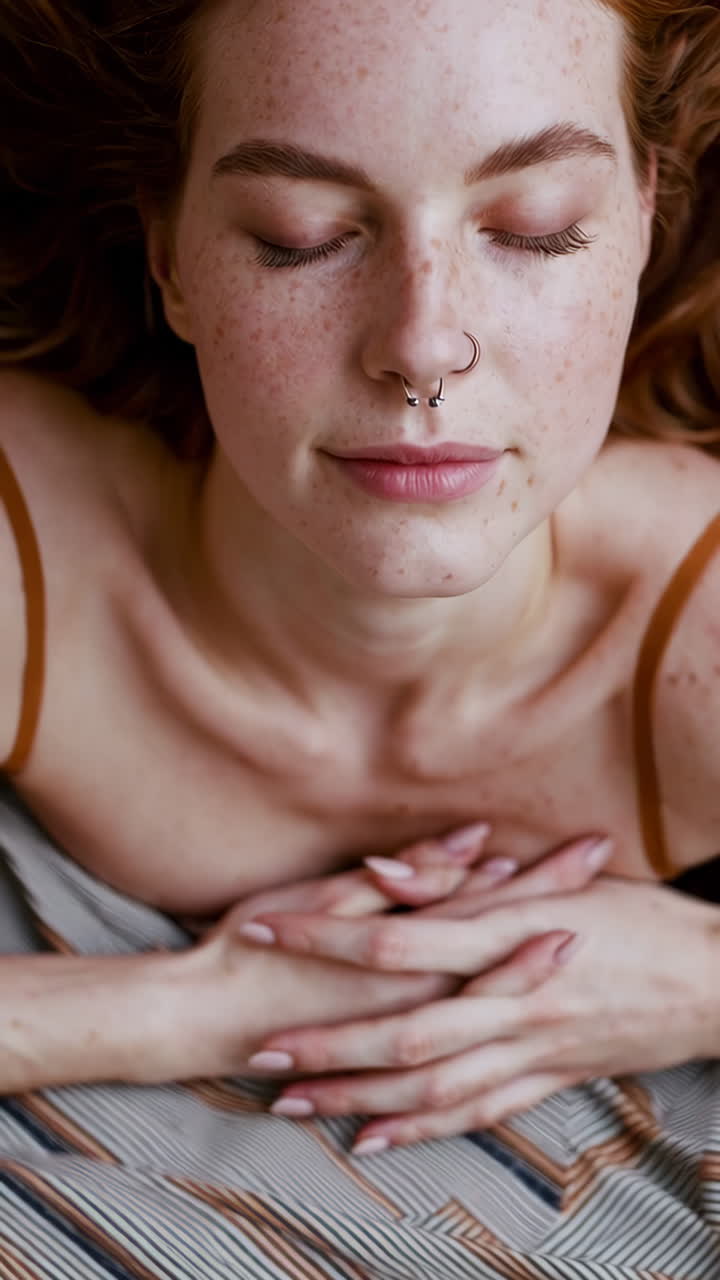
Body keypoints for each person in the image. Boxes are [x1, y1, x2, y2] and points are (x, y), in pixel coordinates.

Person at [0, 0, 719, 1274]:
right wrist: (190, 1009)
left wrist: (705, 976)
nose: (422, 345)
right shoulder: (26, 545)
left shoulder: (696, 635)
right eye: (304, 235)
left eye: (534, 226)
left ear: (641, 221)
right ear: (170, 254)